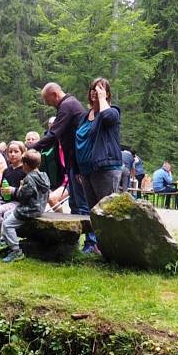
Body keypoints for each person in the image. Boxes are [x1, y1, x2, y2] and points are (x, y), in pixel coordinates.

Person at [29, 82, 93, 251]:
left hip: (80, 162)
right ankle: (73, 242)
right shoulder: (67, 105)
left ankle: (91, 243)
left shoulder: (67, 105)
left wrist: (31, 148)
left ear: (55, 94)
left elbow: (53, 134)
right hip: (74, 161)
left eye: (47, 100)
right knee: (74, 203)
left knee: (82, 203)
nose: (46, 104)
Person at [75, 77, 122, 254]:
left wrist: (102, 100)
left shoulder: (112, 111)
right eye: (93, 89)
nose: (95, 92)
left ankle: (114, 250)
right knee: (94, 213)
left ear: (107, 93)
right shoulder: (84, 117)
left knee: (107, 212)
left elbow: (108, 118)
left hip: (106, 169)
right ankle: (98, 248)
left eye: (100, 89)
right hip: (87, 171)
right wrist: (79, 169)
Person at [0, 150, 51, 263]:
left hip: (29, 210)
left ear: (25, 165)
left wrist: (16, 190)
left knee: (7, 225)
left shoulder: (29, 179)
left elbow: (23, 196)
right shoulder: (43, 176)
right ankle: (5, 242)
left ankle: (16, 251)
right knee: (7, 214)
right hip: (39, 207)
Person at [0, 141, 27, 252]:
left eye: (16, 151)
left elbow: (26, 193)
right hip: (5, 201)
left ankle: (5, 240)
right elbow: (1, 187)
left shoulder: (25, 171)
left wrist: (13, 191)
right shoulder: (7, 170)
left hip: (18, 202)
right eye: (10, 152)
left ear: (23, 153)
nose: (12, 154)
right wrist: (2, 192)